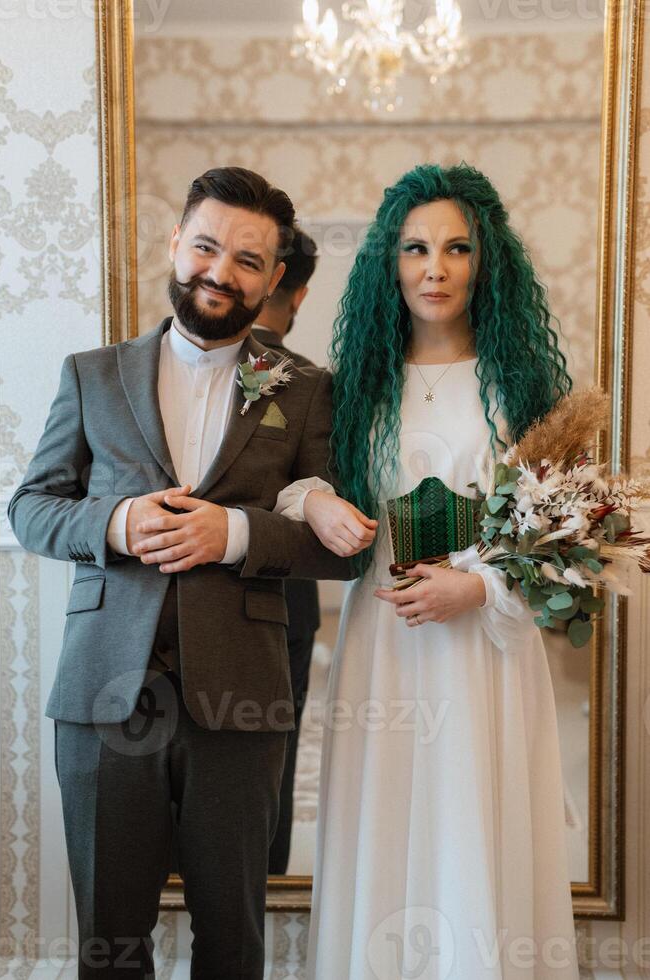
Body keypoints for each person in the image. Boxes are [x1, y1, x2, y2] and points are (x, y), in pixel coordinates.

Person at [7, 167, 371, 980]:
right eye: (205, 246)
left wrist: (237, 533)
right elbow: (30, 509)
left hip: (240, 704)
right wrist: (114, 521)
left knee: (234, 944)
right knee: (109, 942)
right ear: (176, 244)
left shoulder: (309, 391)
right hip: (103, 696)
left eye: (248, 260)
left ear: (275, 278)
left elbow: (340, 547)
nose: (220, 271)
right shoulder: (89, 375)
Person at [277, 163, 581, 979]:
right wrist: (312, 501)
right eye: (415, 249)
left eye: (455, 248)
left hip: (484, 652)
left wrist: (478, 584)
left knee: (473, 826)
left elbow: (563, 539)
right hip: (385, 646)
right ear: (390, 262)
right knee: (386, 821)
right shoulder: (357, 394)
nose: (435, 268)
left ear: (486, 262)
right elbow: (301, 482)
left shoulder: (523, 391)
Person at [252, 228, 323, 874]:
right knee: (276, 756)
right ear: (296, 293)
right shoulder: (313, 385)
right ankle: (266, 879)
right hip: (289, 604)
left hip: (283, 607)